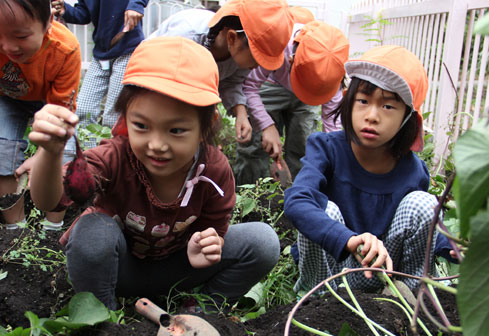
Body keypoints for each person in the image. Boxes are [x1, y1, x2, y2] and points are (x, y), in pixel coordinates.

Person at [28, 36, 280, 311]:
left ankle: (199, 311)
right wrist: (50, 154)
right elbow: (50, 201)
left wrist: (209, 244)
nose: (157, 145)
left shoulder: (213, 170)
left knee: (262, 242)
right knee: (91, 231)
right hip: (120, 269)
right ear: (126, 118)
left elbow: (216, 225)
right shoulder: (116, 157)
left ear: (206, 127)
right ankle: (100, 317)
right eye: (141, 126)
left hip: (180, 268)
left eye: (176, 130)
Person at [284, 45, 453, 293]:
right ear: (348, 102)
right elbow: (297, 200)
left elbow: (420, 227)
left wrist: (452, 246)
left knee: (424, 204)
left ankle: (412, 294)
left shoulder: (413, 170)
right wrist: (349, 240)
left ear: (408, 118)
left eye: (387, 106)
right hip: (333, 269)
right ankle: (317, 301)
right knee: (323, 210)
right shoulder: (326, 149)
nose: (372, 116)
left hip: (383, 270)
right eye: (363, 101)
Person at [148, 0, 294, 145]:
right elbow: (163, 83)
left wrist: (241, 113)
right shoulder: (187, 36)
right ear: (232, 38)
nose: (257, 67)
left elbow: (232, 82)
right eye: (257, 59)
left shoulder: (236, 53)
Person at [235, 21, 349, 184]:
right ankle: (247, 195)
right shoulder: (278, 44)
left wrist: (334, 165)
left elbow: (331, 130)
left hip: (308, 95)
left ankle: (297, 193)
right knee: (255, 143)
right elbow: (250, 86)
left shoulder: (331, 74)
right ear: (291, 60)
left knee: (302, 144)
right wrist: (267, 126)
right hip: (271, 84)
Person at [0, 0, 81, 230]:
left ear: (48, 24)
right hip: (7, 99)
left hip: (50, 102)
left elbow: (61, 114)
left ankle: (53, 228)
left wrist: (43, 157)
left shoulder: (65, 49)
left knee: (62, 153)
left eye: (21, 36)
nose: (8, 47)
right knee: (2, 151)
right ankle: (14, 229)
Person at [51, 0, 149, 131]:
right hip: (101, 54)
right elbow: (84, 14)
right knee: (83, 110)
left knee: (113, 117)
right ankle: (88, 150)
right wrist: (66, 10)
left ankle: (114, 150)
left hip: (127, 50)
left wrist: (136, 4)